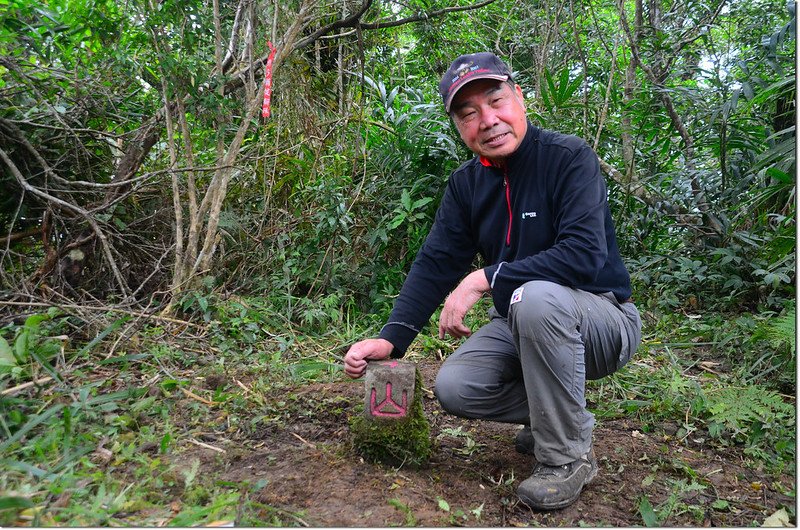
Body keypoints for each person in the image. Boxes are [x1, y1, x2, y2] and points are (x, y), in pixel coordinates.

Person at [343, 52, 642, 510]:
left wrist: (485, 277)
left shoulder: (568, 159)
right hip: (523, 323)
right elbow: (435, 262)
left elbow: (583, 256)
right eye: (468, 114)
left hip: (603, 319)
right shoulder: (466, 185)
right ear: (460, 128)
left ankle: (567, 457)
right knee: (456, 386)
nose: (488, 120)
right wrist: (392, 340)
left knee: (534, 297)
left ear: (519, 98)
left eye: (496, 101)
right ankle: (557, 419)